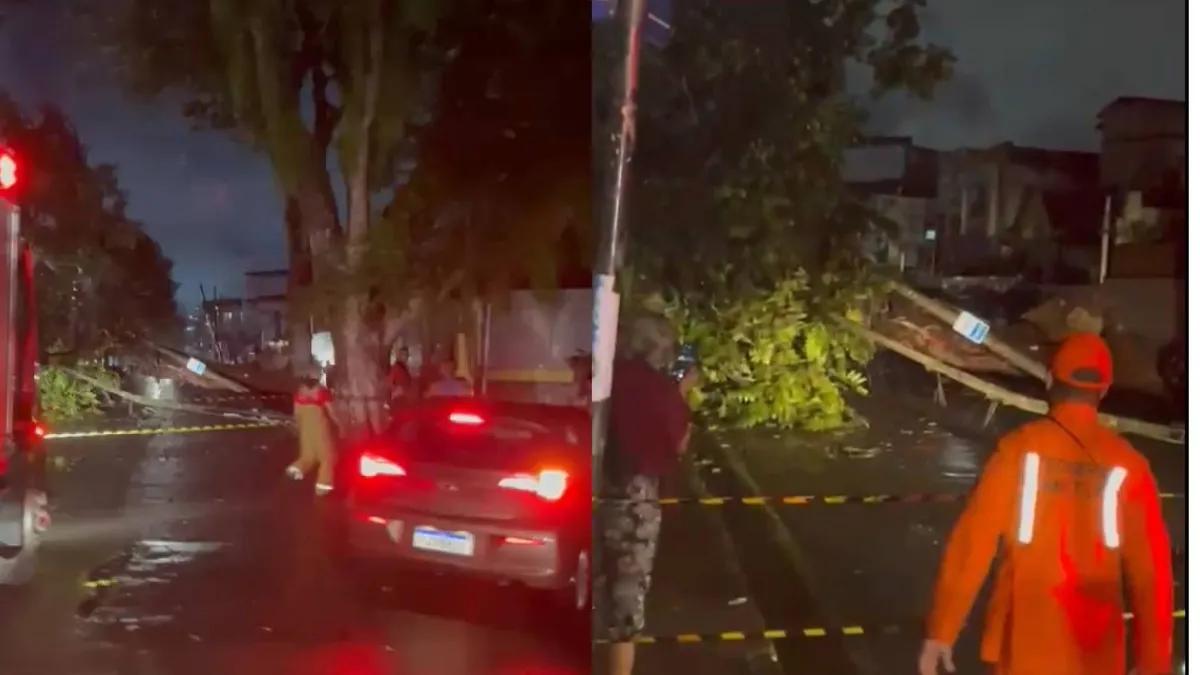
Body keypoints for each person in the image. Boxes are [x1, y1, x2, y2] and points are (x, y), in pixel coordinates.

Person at [920, 333, 1174, 675]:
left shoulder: (1017, 450)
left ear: (1051, 380)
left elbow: (972, 545)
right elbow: (1151, 576)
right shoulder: (1130, 466)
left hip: (1023, 648)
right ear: (1105, 390)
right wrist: (1153, 662)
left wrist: (942, 631)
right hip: (1096, 654)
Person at [596, 314, 698, 675]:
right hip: (633, 499)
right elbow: (676, 444)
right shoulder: (658, 390)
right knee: (626, 597)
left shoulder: (607, 375)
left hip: (595, 489)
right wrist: (682, 395)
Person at [286, 363, 339, 496]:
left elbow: (296, 414)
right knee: (328, 457)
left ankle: (294, 470)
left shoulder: (300, 393)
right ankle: (323, 487)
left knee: (308, 456)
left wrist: (298, 427)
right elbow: (333, 412)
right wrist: (340, 424)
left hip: (305, 428)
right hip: (320, 428)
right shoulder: (322, 392)